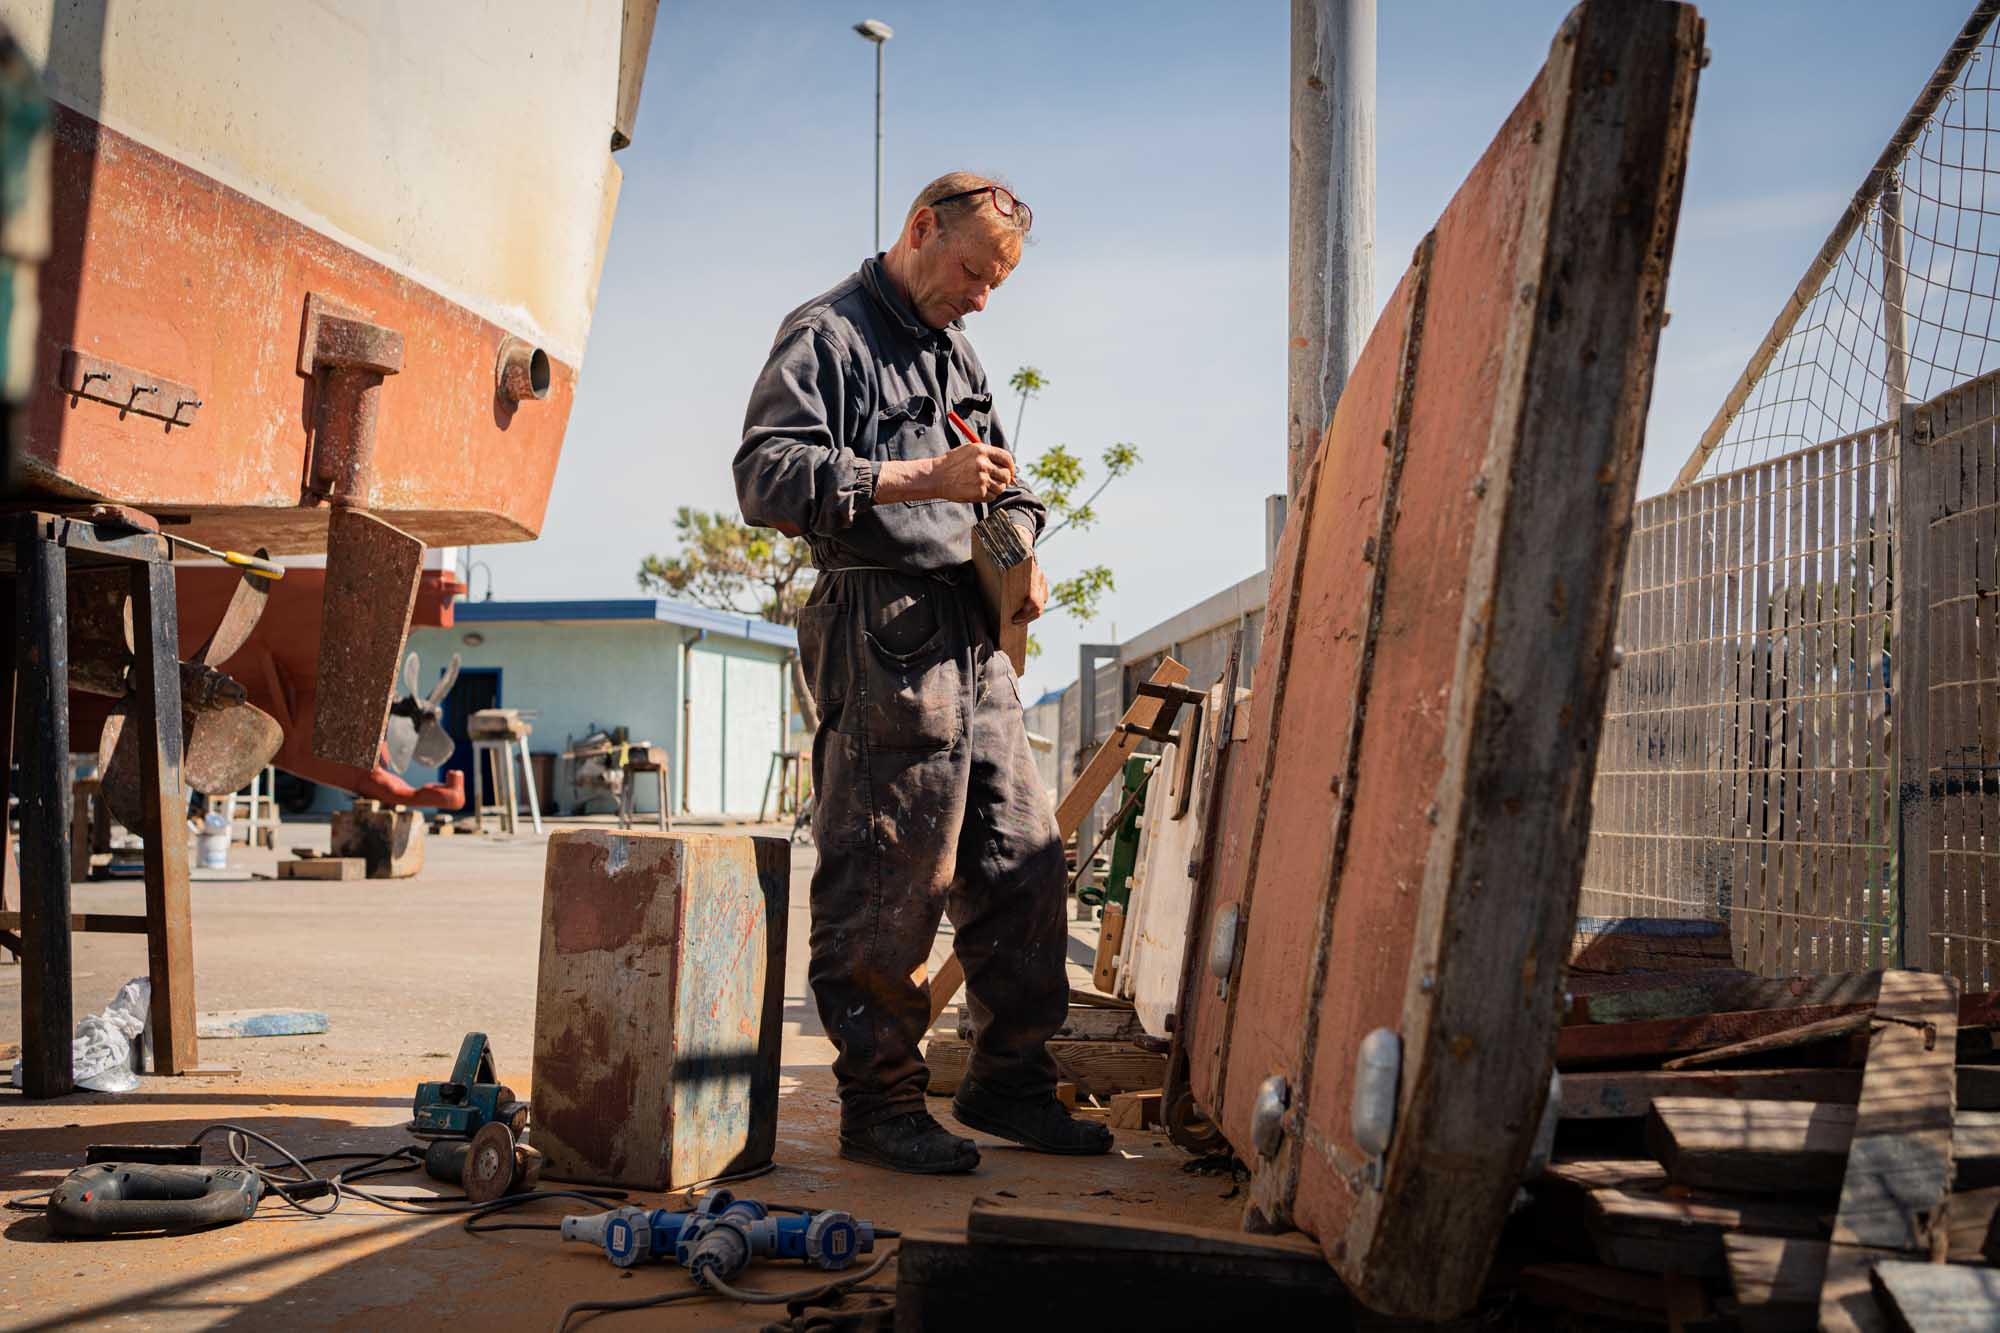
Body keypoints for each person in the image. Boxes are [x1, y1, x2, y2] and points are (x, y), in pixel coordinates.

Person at [735, 172, 1111, 1174]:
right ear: (919, 230)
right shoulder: (828, 333)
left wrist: (1021, 535)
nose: (982, 296)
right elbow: (762, 475)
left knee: (1022, 861)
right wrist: (914, 479)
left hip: (965, 629)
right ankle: (881, 1105)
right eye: (973, 272)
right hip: (878, 619)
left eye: (997, 284)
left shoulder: (954, 348)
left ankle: (1008, 1083)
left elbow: (1000, 476)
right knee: (887, 869)